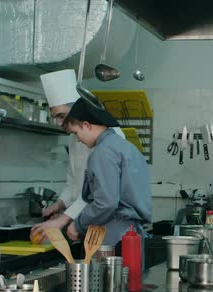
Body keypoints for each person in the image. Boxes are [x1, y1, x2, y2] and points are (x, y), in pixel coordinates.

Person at [30, 69, 125, 243]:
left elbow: (101, 193)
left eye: (61, 115)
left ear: (76, 107)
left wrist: (63, 219)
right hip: (85, 225)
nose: (59, 124)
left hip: (108, 228)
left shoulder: (110, 137)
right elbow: (74, 182)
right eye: (55, 118)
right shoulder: (73, 139)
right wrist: (59, 204)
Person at [63, 98, 152, 249]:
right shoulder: (126, 147)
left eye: (76, 133)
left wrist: (77, 224)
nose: (77, 140)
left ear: (86, 125)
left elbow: (106, 203)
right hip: (132, 236)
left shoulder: (103, 152)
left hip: (114, 237)